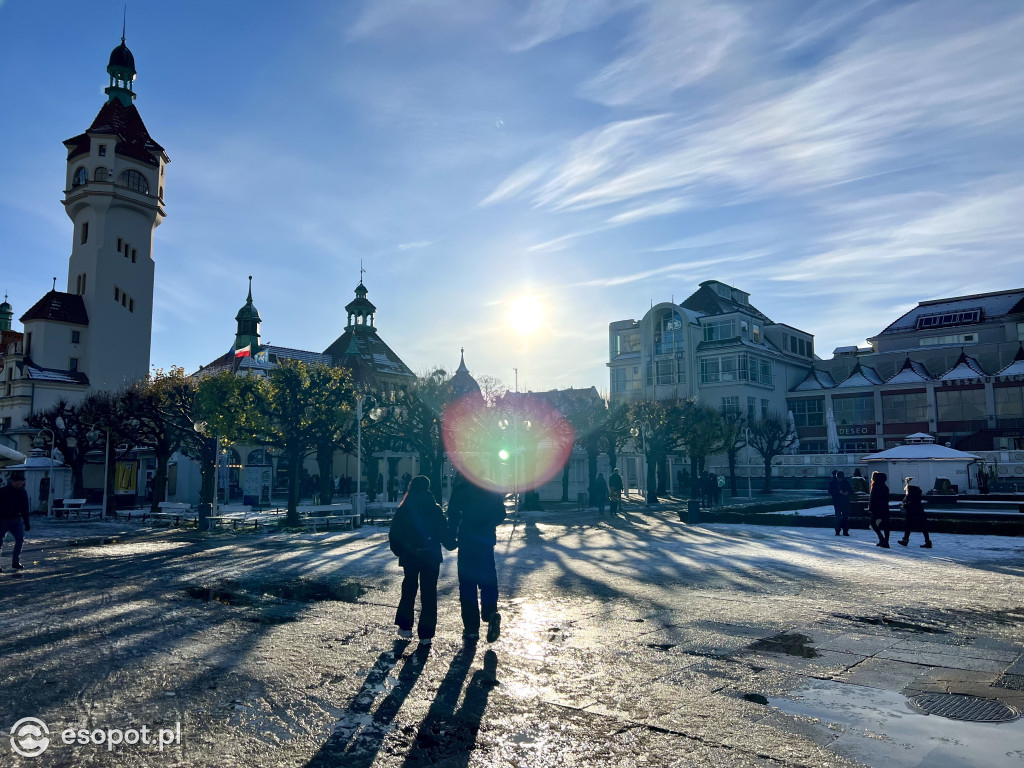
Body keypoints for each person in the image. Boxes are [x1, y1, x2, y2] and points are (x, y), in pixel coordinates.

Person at [446, 474, 507, 643]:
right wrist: (488, 524)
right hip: (486, 541)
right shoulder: (490, 487)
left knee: (467, 585)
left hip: (467, 541)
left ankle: (471, 628)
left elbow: (453, 515)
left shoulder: (461, 489)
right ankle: (490, 612)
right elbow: (501, 514)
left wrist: (451, 537)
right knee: (488, 579)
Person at [388, 475, 448, 645]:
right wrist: (452, 542)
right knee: (429, 593)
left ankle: (405, 627)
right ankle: (426, 634)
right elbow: (444, 532)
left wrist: (400, 551)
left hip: (411, 555)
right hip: (431, 556)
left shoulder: (405, 508)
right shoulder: (434, 508)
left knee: (409, 589)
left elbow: (394, 533)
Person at [0, 471, 31, 571]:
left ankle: (16, 562)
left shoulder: (22, 492)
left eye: (21, 484)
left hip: (17, 519)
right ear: (12, 482)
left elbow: (25, 508)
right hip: (3, 519)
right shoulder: (3, 492)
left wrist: (26, 523)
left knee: (20, 539)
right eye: (17, 484)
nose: (19, 486)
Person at [897, 477, 932, 548]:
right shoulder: (917, 490)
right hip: (919, 511)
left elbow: (912, 502)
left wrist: (904, 505)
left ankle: (905, 541)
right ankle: (928, 542)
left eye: (907, 482)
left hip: (912, 512)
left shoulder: (911, 491)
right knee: (923, 527)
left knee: (908, 526)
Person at [868, 471, 891, 548]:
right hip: (885, 508)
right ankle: (885, 541)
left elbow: (873, 499)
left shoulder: (875, 487)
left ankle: (881, 539)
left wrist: (870, 507)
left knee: (873, 523)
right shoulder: (885, 487)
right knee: (886, 525)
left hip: (876, 508)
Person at [828, 470, 852, 536]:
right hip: (838, 502)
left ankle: (845, 531)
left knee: (845, 517)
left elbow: (851, 490)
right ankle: (838, 531)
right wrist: (838, 492)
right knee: (838, 517)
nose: (840, 479)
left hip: (844, 502)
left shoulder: (845, 482)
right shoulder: (833, 483)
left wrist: (847, 492)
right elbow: (830, 491)